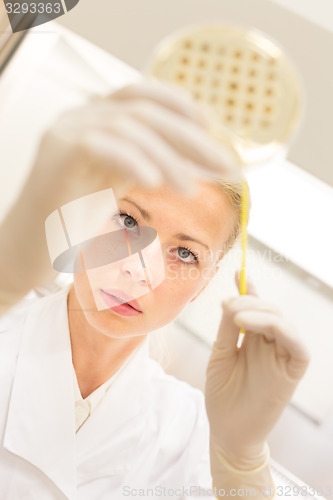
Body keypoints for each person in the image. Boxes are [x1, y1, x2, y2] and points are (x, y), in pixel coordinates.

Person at [0, 81, 310, 499]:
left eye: (184, 253)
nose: (138, 271)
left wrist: (241, 465)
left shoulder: (192, 433)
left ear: (203, 285)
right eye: (127, 221)